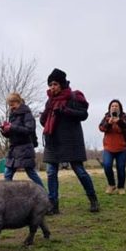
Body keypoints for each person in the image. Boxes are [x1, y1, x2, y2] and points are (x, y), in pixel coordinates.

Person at [39, 68, 99, 214]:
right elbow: (43, 122)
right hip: (53, 141)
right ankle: (53, 204)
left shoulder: (73, 97)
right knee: (51, 172)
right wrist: (45, 114)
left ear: (61, 84)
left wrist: (65, 111)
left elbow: (83, 114)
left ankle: (93, 199)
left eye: (54, 84)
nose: (52, 87)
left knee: (80, 171)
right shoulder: (50, 101)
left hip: (71, 140)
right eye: (50, 85)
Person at [1, 92, 44, 189]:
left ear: (18, 102)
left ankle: (43, 193)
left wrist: (12, 127)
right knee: (7, 174)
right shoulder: (12, 115)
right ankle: (7, 195)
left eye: (12, 105)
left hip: (25, 148)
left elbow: (29, 130)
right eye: (9, 105)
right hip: (14, 148)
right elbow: (12, 133)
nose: (11, 107)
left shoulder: (27, 114)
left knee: (31, 173)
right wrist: (5, 131)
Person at [98, 99, 126, 194]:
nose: (114, 107)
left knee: (121, 168)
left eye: (116, 106)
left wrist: (119, 121)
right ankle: (111, 185)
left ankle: (121, 187)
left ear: (120, 108)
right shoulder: (106, 117)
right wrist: (109, 123)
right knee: (107, 165)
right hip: (108, 147)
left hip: (122, 148)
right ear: (109, 108)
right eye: (112, 106)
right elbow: (101, 128)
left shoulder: (124, 117)